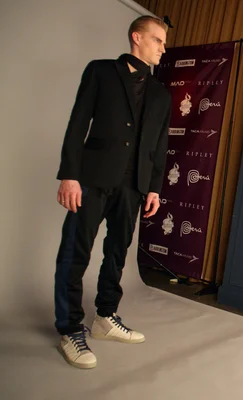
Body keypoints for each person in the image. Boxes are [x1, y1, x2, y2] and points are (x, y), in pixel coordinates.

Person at [54, 16, 171, 369]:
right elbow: (78, 123)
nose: (163, 48)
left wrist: (154, 188)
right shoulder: (101, 72)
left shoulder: (162, 93)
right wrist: (70, 176)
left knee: (117, 254)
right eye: (157, 40)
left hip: (133, 188)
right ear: (137, 37)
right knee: (75, 253)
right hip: (92, 178)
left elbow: (160, 145)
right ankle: (69, 328)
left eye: (164, 43)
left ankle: (105, 317)